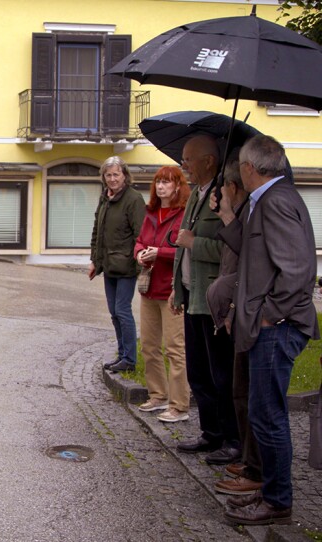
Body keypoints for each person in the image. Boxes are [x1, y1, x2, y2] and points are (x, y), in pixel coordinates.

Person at [219, 136, 318, 526]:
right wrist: (229, 215)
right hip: (272, 323)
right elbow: (258, 254)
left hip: (277, 327)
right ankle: (270, 492)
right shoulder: (271, 199)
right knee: (264, 413)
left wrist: (267, 316)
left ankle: (278, 501)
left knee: (268, 415)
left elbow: (296, 271)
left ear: (248, 169)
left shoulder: (276, 201)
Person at [170, 135, 240, 467]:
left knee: (220, 374)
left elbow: (232, 250)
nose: (183, 166)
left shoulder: (225, 196)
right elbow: (183, 245)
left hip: (214, 301)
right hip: (193, 296)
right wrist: (177, 288)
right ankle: (210, 432)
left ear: (209, 161)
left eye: (188, 159)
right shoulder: (197, 195)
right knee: (198, 373)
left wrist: (195, 242)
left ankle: (231, 439)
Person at [205, 149, 264, 498]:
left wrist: (227, 217)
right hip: (238, 311)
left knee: (252, 398)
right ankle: (247, 459)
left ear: (233, 184)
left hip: (253, 315)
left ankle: (255, 469)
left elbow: (248, 261)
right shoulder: (243, 210)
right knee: (241, 392)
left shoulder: (257, 210)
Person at [133, 166, 190, 422]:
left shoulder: (183, 214)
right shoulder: (151, 212)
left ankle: (179, 405)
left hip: (172, 290)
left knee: (175, 349)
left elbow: (186, 251)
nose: (161, 187)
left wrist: (160, 253)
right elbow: (140, 241)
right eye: (158, 182)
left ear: (178, 186)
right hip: (149, 288)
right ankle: (158, 395)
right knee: (149, 346)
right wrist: (140, 254)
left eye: (166, 182)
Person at [89, 156, 145, 374]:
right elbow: (98, 231)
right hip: (109, 265)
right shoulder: (105, 198)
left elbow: (140, 234)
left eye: (116, 174)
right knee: (113, 312)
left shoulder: (133, 199)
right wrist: (95, 260)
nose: (112, 179)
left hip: (126, 266)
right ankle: (122, 355)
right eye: (108, 175)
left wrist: (137, 260)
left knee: (122, 311)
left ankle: (130, 359)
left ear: (125, 176)